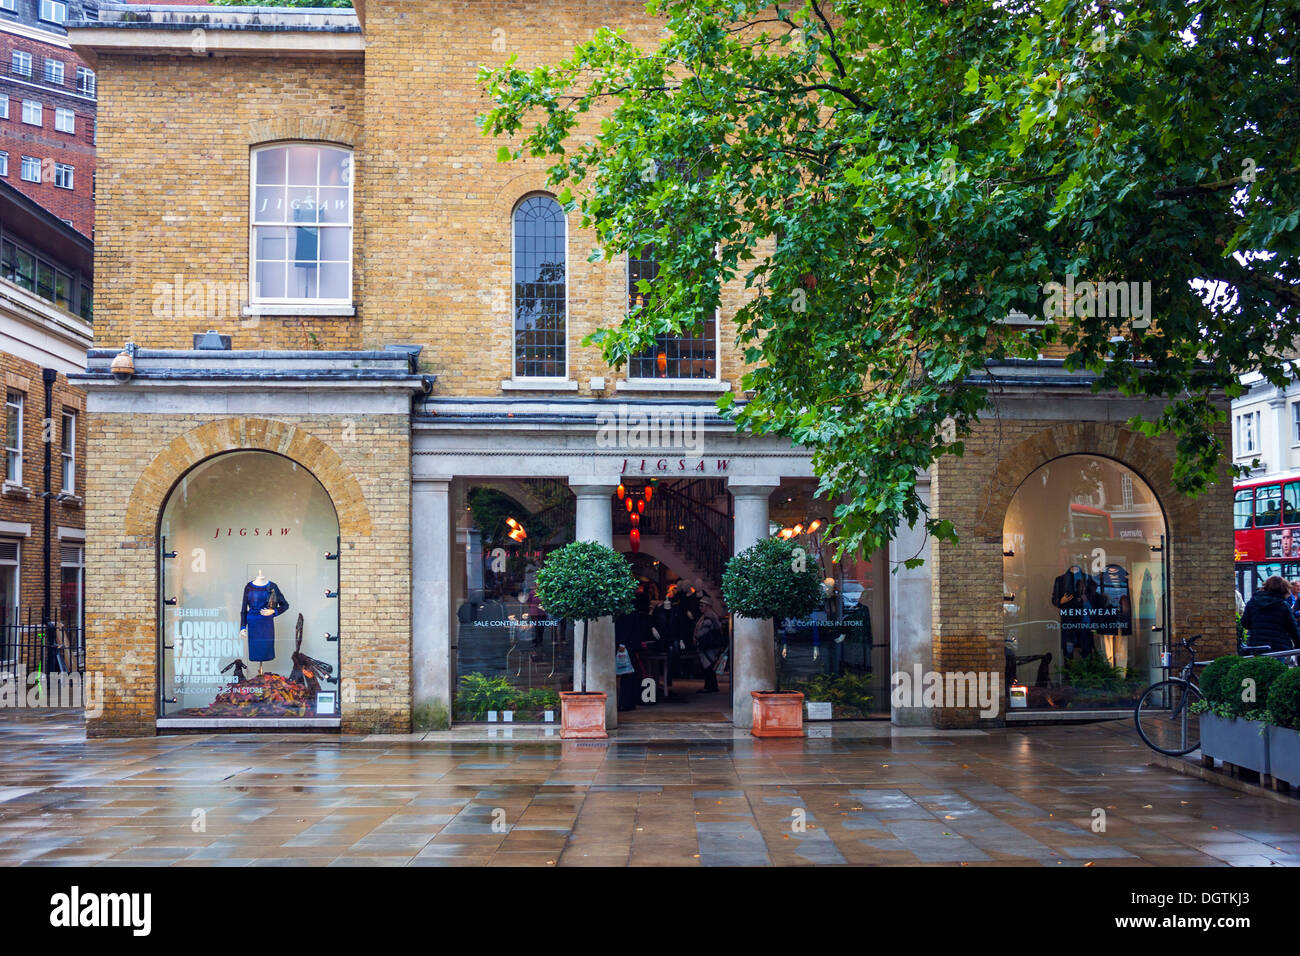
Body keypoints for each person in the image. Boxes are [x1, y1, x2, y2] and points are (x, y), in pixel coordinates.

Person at [1240, 575, 1300, 652]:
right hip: (1279, 647)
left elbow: (1245, 623)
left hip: (1258, 645)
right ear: (1284, 589)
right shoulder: (1283, 605)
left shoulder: (1253, 602)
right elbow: (1293, 629)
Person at [693, 599, 726, 693]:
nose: (700, 608)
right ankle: (712, 686)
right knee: (709, 665)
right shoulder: (710, 615)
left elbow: (704, 630)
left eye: (702, 606)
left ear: (708, 606)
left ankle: (709, 686)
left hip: (709, 646)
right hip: (711, 645)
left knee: (707, 665)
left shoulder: (709, 617)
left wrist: (696, 636)